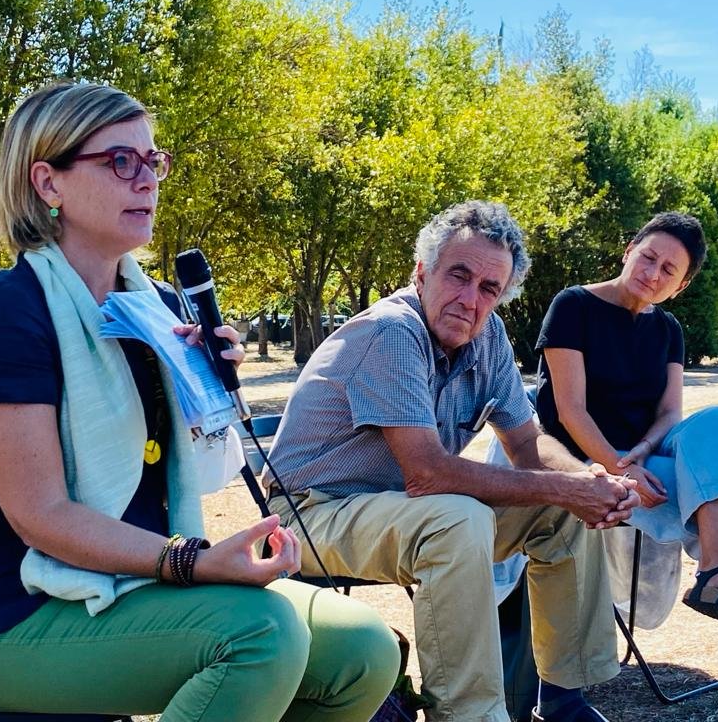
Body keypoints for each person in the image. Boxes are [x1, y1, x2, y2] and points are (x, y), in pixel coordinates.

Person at [0, 82, 399, 722]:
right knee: (260, 635)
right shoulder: (8, 314)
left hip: (130, 588)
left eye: (153, 160)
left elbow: (210, 471)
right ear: (48, 183)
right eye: (120, 161)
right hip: (6, 617)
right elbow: (42, 516)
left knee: (363, 650)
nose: (147, 180)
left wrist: (207, 394)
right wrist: (189, 561)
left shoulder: (158, 312)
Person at [263, 200, 640, 722]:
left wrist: (589, 481)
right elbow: (429, 474)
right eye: (458, 275)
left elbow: (529, 445)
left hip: (392, 510)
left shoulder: (489, 339)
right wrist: (565, 489)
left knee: (559, 512)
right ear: (422, 272)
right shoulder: (393, 331)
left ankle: (562, 699)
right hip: (308, 515)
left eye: (489, 288)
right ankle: (470, 715)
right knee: (457, 518)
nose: (470, 299)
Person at [535, 211, 718, 709]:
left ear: (679, 287)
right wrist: (619, 465)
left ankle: (716, 574)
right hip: (579, 461)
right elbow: (569, 410)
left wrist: (641, 451)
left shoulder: (669, 329)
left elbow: (669, 412)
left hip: (646, 463)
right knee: (715, 487)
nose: (653, 273)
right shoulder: (572, 305)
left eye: (668, 271)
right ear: (628, 252)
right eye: (648, 257)